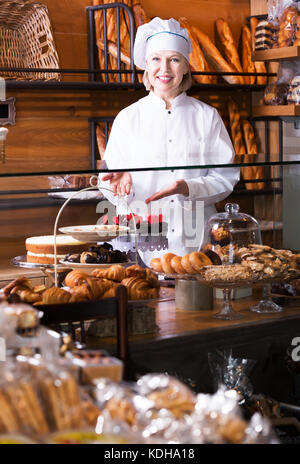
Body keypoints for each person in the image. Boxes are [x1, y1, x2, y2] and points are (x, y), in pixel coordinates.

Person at [99, 17, 239, 266]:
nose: (164, 69)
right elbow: (108, 184)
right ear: (146, 65)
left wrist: (188, 187)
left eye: (174, 59)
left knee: (192, 302)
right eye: (156, 59)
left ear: (186, 67)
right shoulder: (127, 118)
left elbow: (225, 178)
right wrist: (119, 186)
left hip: (195, 242)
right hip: (139, 240)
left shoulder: (207, 116)